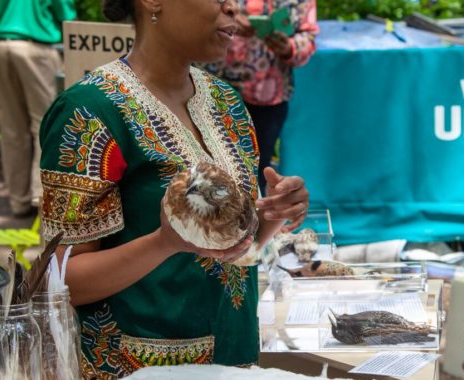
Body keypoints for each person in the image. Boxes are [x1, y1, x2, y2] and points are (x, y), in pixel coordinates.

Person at [39, 0, 310, 377]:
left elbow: (235, 249)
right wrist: (164, 241)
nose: (234, 8)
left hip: (233, 357)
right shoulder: (90, 111)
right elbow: (61, 281)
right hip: (136, 367)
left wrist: (273, 216)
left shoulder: (227, 103)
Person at [204, 0, 318, 191]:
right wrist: (226, 17)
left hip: (268, 93)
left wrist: (289, 47)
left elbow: (308, 37)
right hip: (212, 86)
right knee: (207, 165)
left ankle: (252, 218)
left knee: (256, 169)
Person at [0, 0, 76, 217]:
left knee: (10, 129)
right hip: (37, 49)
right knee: (45, 124)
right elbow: (66, 16)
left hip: (0, 47)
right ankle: (40, 197)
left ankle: (19, 202)